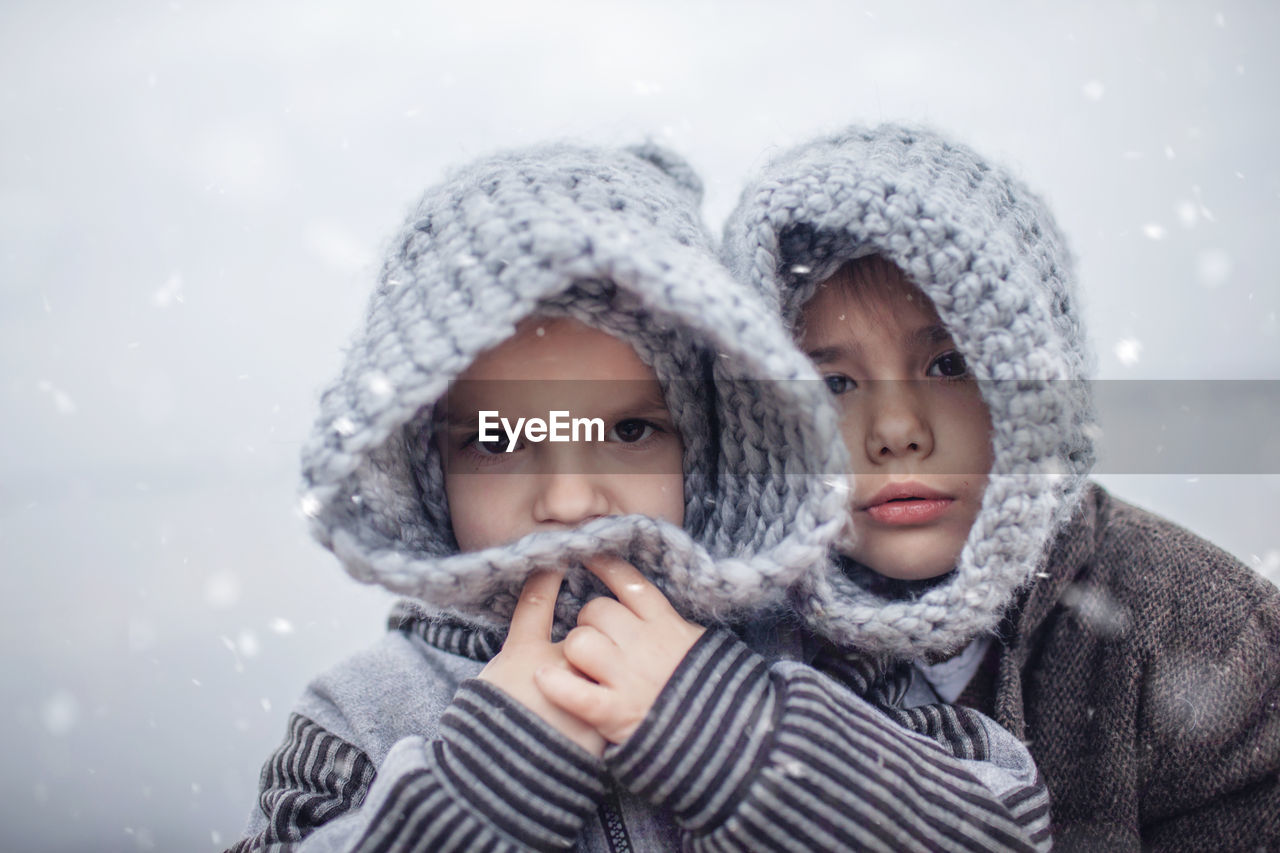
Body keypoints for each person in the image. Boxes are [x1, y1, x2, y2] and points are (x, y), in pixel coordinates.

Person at [229, 141, 1051, 852]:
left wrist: (730, 732)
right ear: (422, 468)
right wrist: (481, 783)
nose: (571, 498)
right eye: (497, 442)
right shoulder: (369, 712)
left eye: (628, 431)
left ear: (707, 439)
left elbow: (1007, 826)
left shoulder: (814, 653)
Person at [722, 122, 1280, 850]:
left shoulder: (1206, 637)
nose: (895, 429)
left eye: (949, 365)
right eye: (832, 382)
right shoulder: (716, 636)